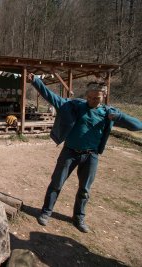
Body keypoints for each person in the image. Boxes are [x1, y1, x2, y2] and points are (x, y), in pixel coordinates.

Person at [27, 73, 142, 233]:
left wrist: (118, 116)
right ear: (87, 95)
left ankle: (78, 217)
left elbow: (138, 125)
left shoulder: (109, 113)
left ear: (104, 96)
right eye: (91, 97)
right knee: (56, 183)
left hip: (91, 156)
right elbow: (52, 97)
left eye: (97, 98)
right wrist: (36, 81)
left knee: (85, 189)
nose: (93, 100)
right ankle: (46, 212)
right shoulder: (74, 106)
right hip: (70, 152)